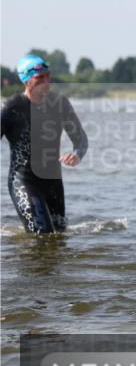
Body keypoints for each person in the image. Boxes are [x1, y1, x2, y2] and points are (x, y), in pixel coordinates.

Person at [1, 53, 88, 234]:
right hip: (24, 181)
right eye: (39, 78)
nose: (46, 81)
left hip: (53, 182)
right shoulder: (11, 108)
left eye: (48, 76)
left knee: (59, 237)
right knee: (43, 235)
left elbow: (80, 139)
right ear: (25, 81)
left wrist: (77, 154)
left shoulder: (60, 104)